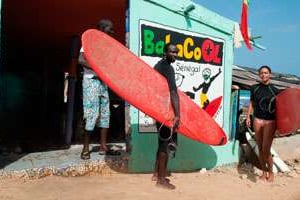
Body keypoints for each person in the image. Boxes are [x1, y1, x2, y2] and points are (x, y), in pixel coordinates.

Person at [78, 19, 117, 159]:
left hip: (103, 83)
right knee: (91, 114)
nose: (112, 31)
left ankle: (103, 146)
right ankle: (86, 148)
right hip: (91, 82)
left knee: (105, 114)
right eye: (109, 29)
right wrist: (97, 68)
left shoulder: (106, 47)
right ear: (101, 28)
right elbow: (81, 60)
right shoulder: (88, 44)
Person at [152, 43, 180, 190]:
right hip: (165, 112)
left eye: (176, 52)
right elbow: (173, 93)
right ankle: (161, 180)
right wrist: (177, 115)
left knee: (161, 143)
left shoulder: (158, 65)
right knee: (165, 145)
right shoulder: (167, 68)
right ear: (165, 52)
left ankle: (157, 174)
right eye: (172, 52)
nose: (175, 55)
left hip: (159, 109)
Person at [246, 65, 279, 182]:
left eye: (266, 73)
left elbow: (280, 108)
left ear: (270, 74)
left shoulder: (275, 90)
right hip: (257, 120)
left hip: (270, 121)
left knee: (266, 149)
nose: (263, 75)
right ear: (259, 74)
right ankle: (263, 172)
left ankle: (271, 172)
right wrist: (248, 117)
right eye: (261, 73)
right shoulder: (254, 88)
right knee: (260, 148)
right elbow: (251, 102)